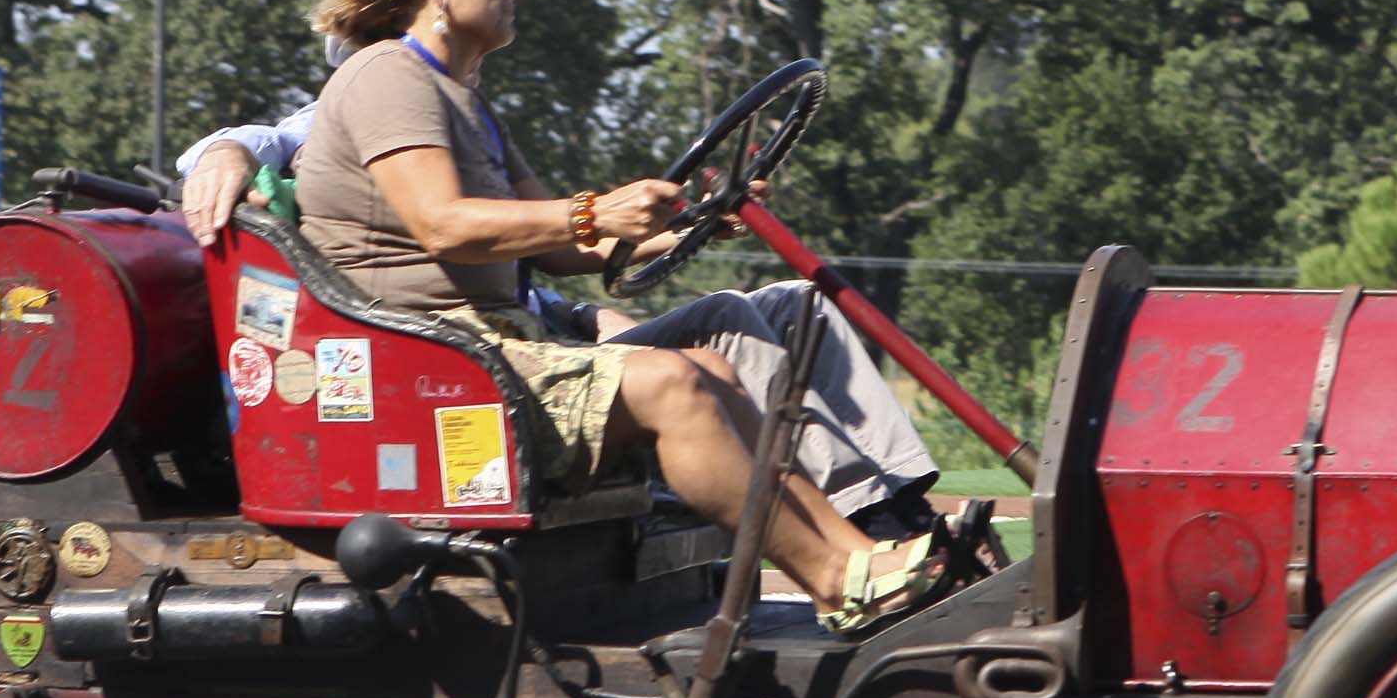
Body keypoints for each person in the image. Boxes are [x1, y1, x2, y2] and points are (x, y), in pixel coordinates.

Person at [258, 0, 957, 634]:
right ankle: (837, 579)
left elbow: (556, 249)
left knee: (715, 365)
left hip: (493, 350)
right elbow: (446, 226)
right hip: (431, 367)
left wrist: (685, 223)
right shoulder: (386, 76)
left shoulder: (466, 100)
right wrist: (596, 209)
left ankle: (864, 553)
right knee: (673, 387)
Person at [178, 121, 945, 533]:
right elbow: (265, 139)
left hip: (554, 336)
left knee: (791, 303)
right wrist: (227, 149)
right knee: (728, 326)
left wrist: (690, 227)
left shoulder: (468, 126)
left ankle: (905, 501)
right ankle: (868, 524)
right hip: (469, 373)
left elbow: (545, 254)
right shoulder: (371, 121)